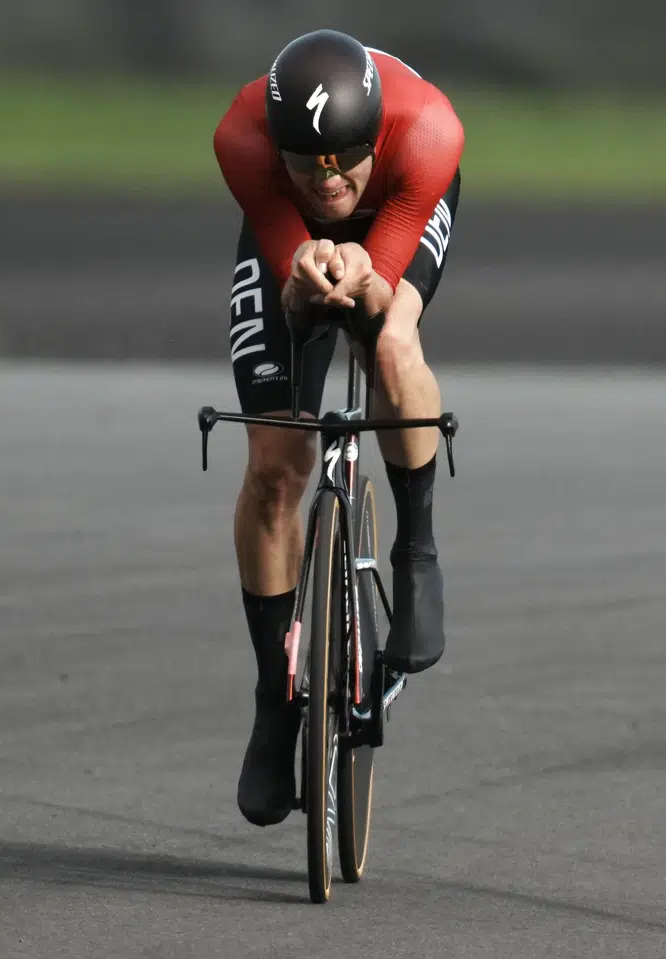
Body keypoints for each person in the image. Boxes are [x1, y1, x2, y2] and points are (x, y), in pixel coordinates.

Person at [213, 29, 465, 827]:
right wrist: (307, 273)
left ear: (374, 135)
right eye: (309, 166)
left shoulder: (427, 130)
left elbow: (378, 291)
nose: (330, 185)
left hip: (403, 206)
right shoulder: (243, 138)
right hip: (282, 236)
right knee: (275, 468)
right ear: (279, 149)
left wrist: (368, 276)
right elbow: (293, 268)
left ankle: (416, 548)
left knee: (389, 342)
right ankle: (273, 696)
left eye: (346, 160)